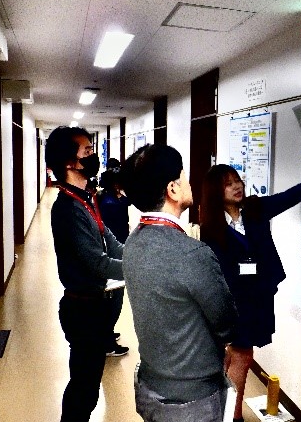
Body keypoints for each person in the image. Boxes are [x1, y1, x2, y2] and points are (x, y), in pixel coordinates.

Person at [199, 164, 301, 422]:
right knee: (242, 356)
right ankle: (232, 416)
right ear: (215, 191)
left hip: (258, 299)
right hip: (233, 303)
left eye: (237, 180)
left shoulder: (254, 210)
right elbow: (213, 273)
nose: (237, 186)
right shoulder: (211, 228)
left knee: (237, 355)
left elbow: (287, 198)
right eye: (228, 183)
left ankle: (221, 411)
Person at [119, 144, 238, 422]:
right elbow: (227, 325)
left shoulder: (133, 242)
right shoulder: (192, 254)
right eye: (184, 176)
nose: (189, 183)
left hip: (150, 383)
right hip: (191, 399)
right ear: (172, 189)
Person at [44, 126, 127, 422]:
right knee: (84, 388)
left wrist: (136, 253)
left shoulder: (87, 198)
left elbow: (109, 241)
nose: (94, 156)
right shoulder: (68, 208)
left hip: (97, 307)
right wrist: (139, 268)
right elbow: (97, 262)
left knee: (88, 385)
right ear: (70, 162)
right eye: (88, 152)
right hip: (83, 310)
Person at [97, 158, 130, 356]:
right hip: (114, 255)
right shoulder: (110, 204)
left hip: (117, 250)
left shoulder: (112, 199)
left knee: (113, 299)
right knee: (114, 300)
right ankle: (107, 342)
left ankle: (107, 333)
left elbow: (128, 200)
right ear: (117, 185)